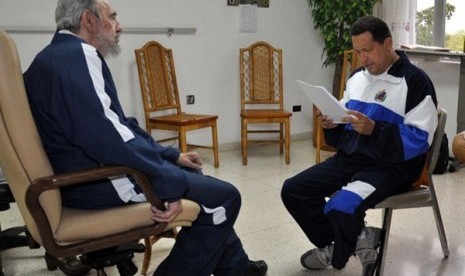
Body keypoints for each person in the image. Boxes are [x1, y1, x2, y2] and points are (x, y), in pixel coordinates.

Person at [23, 0, 268, 275]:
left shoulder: (54, 56)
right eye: (112, 17)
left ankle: (237, 268)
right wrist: (168, 181)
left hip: (83, 176)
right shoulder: (77, 57)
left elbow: (120, 125)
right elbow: (108, 141)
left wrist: (171, 156)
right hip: (99, 181)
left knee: (199, 182)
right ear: (89, 21)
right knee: (225, 198)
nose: (119, 26)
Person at [281, 15, 438, 276]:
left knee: (341, 206)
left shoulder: (415, 81)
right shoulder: (356, 78)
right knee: (294, 190)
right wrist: (333, 125)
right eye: (358, 51)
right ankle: (356, 239)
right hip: (351, 159)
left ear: (388, 44)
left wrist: (375, 130)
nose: (362, 58)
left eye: (368, 50)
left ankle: (341, 248)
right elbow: (346, 124)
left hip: (390, 167)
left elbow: (420, 140)